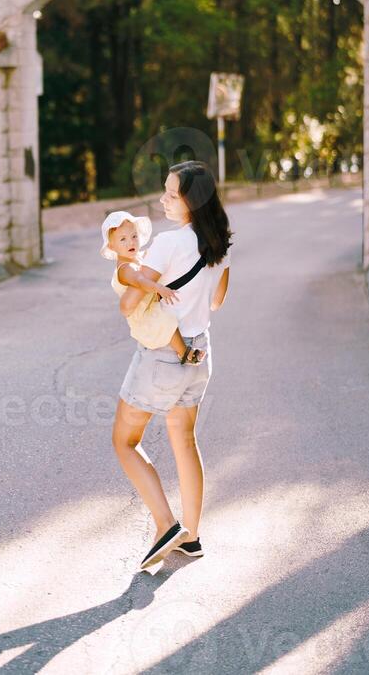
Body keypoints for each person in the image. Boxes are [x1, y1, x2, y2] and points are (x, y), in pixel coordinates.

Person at [111, 159, 233, 571]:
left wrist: (130, 281)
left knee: (124, 441)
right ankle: (192, 538)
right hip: (199, 353)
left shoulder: (168, 244)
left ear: (191, 201)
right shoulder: (219, 242)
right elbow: (217, 299)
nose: (162, 199)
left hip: (164, 355)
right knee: (184, 440)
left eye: (170, 193)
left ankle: (166, 526)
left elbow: (128, 304)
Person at [100, 210, 207, 363]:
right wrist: (159, 288)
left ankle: (183, 349)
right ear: (112, 246)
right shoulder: (125, 269)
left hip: (148, 305)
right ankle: (185, 353)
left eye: (134, 236)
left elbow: (152, 256)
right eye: (123, 239)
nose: (131, 242)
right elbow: (140, 280)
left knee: (169, 317)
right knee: (167, 322)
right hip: (143, 315)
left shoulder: (135, 257)